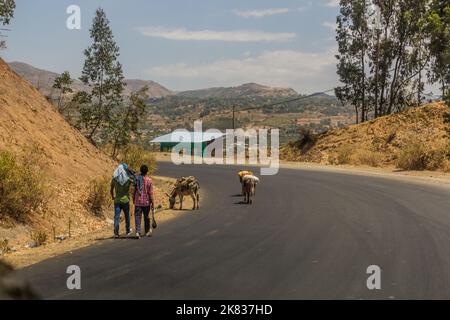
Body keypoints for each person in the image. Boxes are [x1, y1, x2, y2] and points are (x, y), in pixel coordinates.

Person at [110, 163, 133, 238]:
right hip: (125, 200)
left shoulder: (114, 179)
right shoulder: (128, 180)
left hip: (117, 201)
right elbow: (135, 182)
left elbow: (111, 190)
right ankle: (128, 230)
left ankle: (116, 233)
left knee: (116, 217)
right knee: (127, 216)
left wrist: (113, 197)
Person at [133, 164, 155, 238]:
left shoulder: (137, 179)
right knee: (146, 217)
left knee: (137, 217)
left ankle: (137, 232)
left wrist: (133, 198)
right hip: (146, 202)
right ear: (147, 171)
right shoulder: (149, 180)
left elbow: (134, 190)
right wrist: (153, 202)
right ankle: (147, 231)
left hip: (138, 201)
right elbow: (151, 193)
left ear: (140, 171)